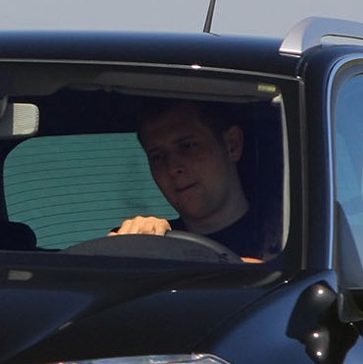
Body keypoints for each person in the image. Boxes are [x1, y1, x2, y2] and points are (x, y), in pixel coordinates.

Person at [112, 99, 269, 259]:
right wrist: (133, 242)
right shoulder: (151, 245)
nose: (172, 168)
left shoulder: (286, 242)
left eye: (188, 146)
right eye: (158, 157)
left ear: (232, 145)